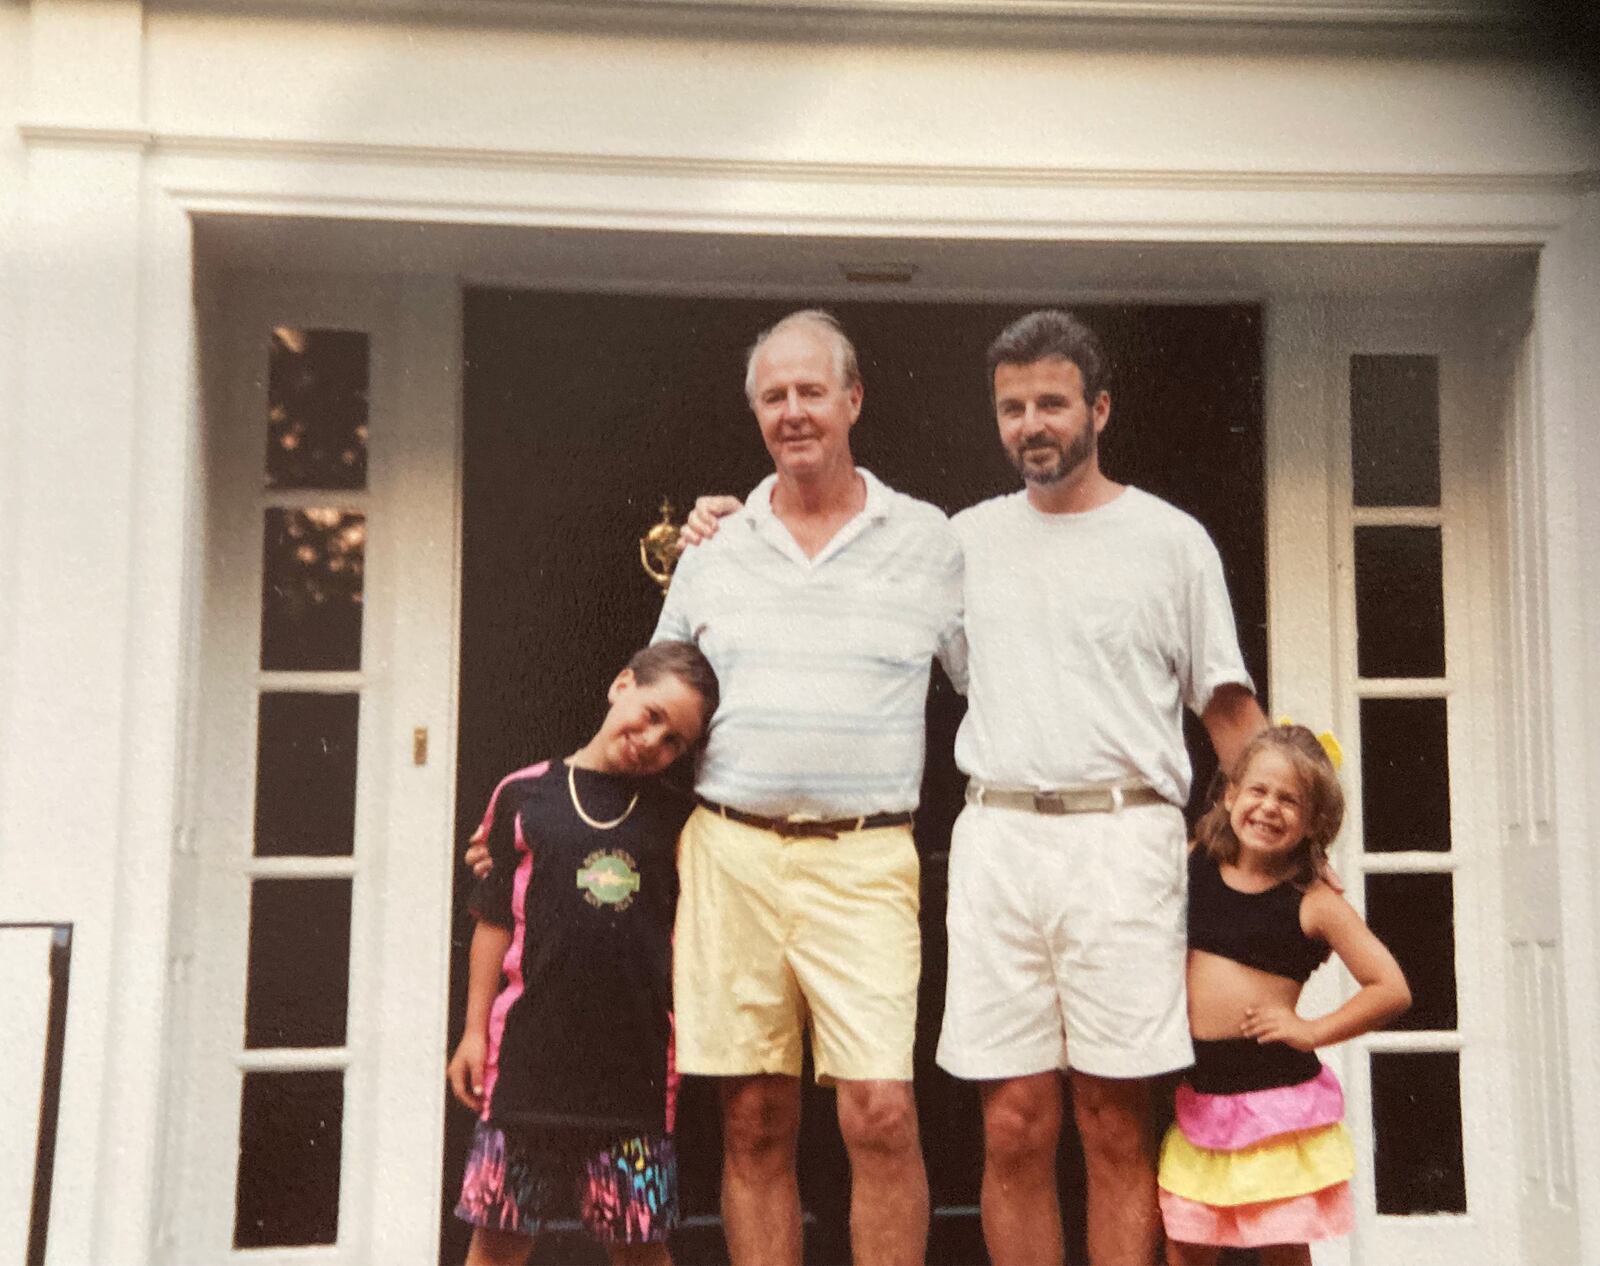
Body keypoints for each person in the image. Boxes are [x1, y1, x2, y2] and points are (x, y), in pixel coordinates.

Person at [685, 309, 1267, 1264]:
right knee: (1014, 1126)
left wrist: (1297, 856)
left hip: (1124, 843)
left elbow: (1231, 715)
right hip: (1000, 842)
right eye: (1012, 408)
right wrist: (725, 515)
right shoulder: (959, 543)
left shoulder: (1171, 541)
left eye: (1052, 403)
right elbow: (842, 615)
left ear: (1100, 409)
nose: (1032, 424)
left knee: (1116, 1124)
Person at [656, 309, 964, 1266]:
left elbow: (992, 686)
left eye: (811, 391)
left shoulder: (928, 540)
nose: (793, 413)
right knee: (753, 1118)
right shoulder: (716, 544)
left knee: (881, 1113)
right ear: (756, 413)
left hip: (866, 857)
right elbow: (658, 700)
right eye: (773, 396)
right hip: (731, 853)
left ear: (854, 399)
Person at [447, 641, 719, 1266]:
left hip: (637, 1073)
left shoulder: (680, 819)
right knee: (498, 1238)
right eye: (650, 714)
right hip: (526, 1064)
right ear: (621, 684)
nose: (653, 740)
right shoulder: (523, 794)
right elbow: (491, 920)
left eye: (674, 740)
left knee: (640, 1245)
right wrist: (471, 1034)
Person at [1160, 724, 1410, 1266]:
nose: (1269, 808)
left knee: (1280, 1243)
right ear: (1230, 794)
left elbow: (1391, 987)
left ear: (1315, 822)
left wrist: (1312, 1030)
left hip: (1274, 1104)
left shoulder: (1315, 901)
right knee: (1187, 1239)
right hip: (1200, 1096)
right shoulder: (1195, 861)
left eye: (1289, 800)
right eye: (1258, 790)